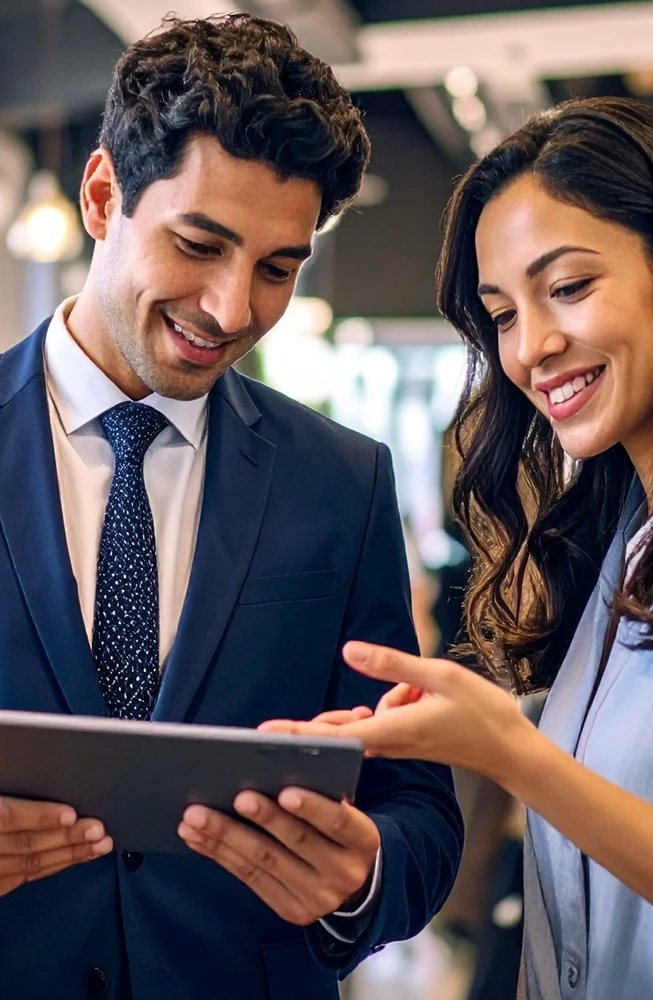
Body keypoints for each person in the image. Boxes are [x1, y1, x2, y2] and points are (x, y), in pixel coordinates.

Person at [264, 96, 653, 999]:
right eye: (503, 313)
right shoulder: (622, 538)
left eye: (570, 287)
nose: (533, 347)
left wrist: (518, 756)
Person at [0, 14, 461, 1000]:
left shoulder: (343, 481)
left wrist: (358, 872)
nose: (230, 308)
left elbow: (415, 804)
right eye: (198, 243)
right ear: (99, 195)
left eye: (277, 268)